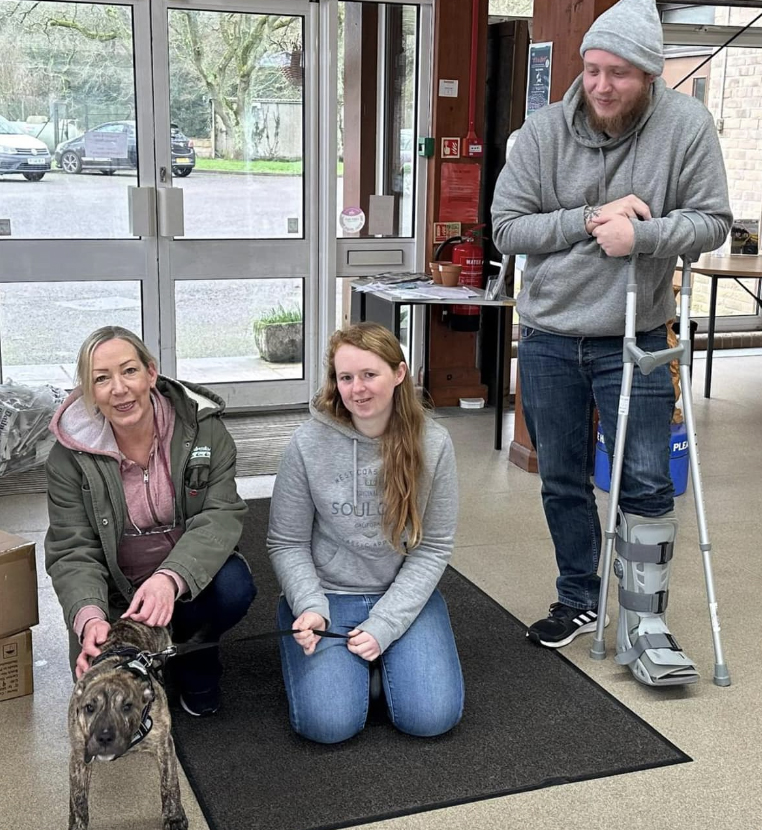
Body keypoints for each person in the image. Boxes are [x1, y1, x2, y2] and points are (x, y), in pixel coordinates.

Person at [491, 0, 731, 686]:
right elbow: (508, 229)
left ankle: (644, 616)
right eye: (592, 70)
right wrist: (593, 217)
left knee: (647, 479)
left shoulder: (686, 127)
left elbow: (712, 220)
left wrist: (643, 237)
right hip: (548, 335)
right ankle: (578, 599)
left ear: (651, 76)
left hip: (638, 332)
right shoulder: (541, 134)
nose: (599, 86)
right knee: (562, 478)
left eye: (618, 75)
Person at [267, 322, 464, 743]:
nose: (357, 389)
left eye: (369, 375)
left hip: (401, 594)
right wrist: (309, 605)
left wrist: (385, 625)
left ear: (399, 373)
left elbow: (433, 549)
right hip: (327, 596)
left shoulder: (435, 444)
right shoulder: (307, 443)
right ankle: (364, 671)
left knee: (431, 718)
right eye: (345, 378)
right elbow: (286, 542)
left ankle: (378, 663)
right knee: (328, 726)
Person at [45, 326, 256, 715]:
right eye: (101, 379)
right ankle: (143, 649)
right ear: (90, 392)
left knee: (233, 586)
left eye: (129, 371)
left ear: (151, 373)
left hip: (185, 578)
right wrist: (89, 617)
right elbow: (72, 549)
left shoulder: (203, 429)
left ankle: (192, 655)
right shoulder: (67, 458)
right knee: (104, 702)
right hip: (115, 589)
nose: (119, 389)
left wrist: (169, 578)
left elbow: (221, 514)